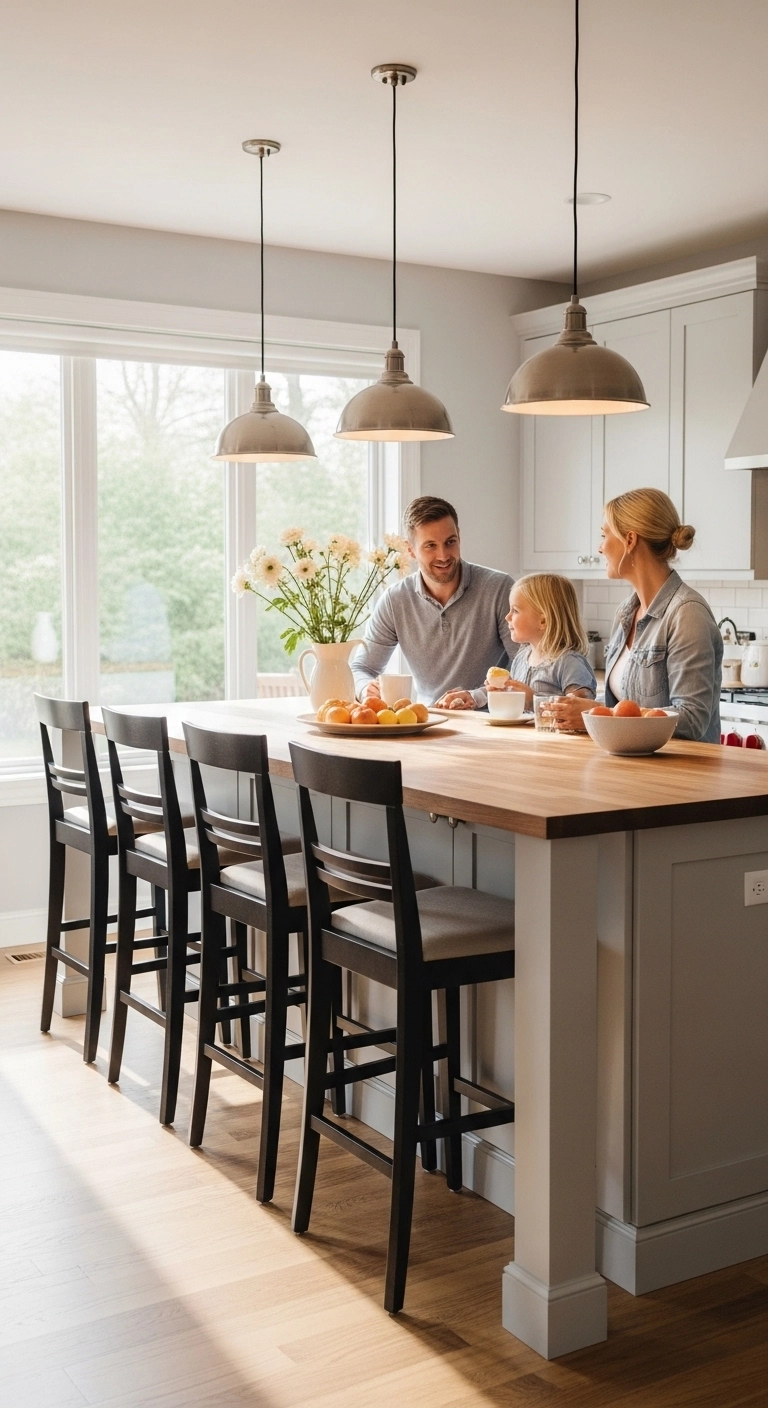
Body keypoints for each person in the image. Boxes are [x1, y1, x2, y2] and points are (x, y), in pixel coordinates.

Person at [551, 488, 723, 742]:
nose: (599, 548)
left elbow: (692, 719)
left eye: (604, 535)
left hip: (681, 776)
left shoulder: (687, 614)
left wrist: (599, 714)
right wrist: (583, 708)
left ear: (630, 540)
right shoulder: (625, 612)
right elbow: (627, 706)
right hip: (632, 768)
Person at [352, 495, 515, 708]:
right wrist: (366, 689)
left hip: (491, 721)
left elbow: (529, 667)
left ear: (459, 537)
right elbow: (361, 667)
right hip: (428, 724)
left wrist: (477, 697)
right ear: (410, 549)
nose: (443, 555)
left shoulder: (500, 588)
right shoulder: (395, 600)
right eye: (430, 545)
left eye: (450, 542)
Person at [487, 574, 596, 712]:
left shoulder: (569, 663)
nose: (507, 617)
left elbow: (580, 710)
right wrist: (503, 693)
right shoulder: (521, 659)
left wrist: (534, 700)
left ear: (543, 621)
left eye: (515, 610)